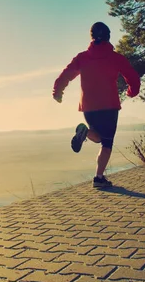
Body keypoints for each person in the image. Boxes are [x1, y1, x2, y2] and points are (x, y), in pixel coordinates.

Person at [53, 22, 140, 188]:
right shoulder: (116, 58)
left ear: (91, 37)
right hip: (109, 105)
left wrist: (58, 91)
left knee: (98, 136)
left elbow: (66, 74)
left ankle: (86, 132)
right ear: (108, 36)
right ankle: (99, 178)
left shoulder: (82, 57)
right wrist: (131, 92)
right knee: (106, 143)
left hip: (88, 106)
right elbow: (133, 77)